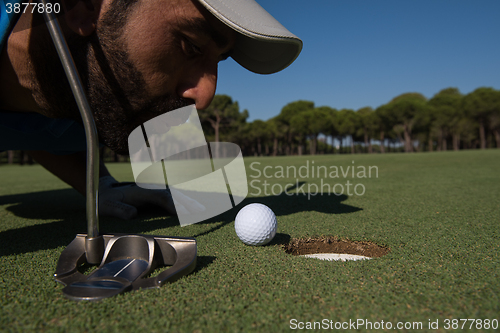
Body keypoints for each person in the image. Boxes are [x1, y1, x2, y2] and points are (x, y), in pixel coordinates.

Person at [0, 0, 302, 219]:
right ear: (83, 5)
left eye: (220, 59)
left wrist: (98, 185)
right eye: (192, 46)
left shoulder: (90, 91)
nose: (206, 96)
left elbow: (43, 132)